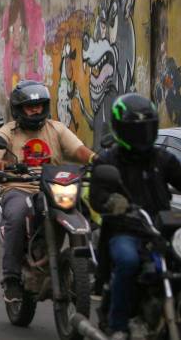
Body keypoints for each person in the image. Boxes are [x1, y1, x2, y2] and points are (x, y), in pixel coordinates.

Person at [0, 80, 94, 303]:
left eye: (39, 105)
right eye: (29, 106)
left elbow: (79, 151)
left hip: (53, 187)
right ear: (18, 109)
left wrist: (97, 160)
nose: (35, 110)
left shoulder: (56, 129)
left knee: (87, 211)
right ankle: (11, 279)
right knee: (15, 216)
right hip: (19, 187)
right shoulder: (9, 131)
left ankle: (89, 268)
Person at [89, 93, 181, 339]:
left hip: (162, 229)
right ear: (122, 130)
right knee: (128, 261)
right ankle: (118, 325)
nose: (142, 135)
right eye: (135, 130)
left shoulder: (163, 159)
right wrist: (112, 202)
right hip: (125, 229)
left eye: (146, 128)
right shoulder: (108, 161)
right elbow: (97, 196)